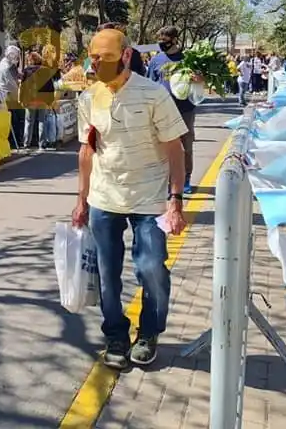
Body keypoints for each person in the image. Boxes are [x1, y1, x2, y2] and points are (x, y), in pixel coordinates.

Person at [72, 28, 188, 369]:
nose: (97, 64)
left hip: (150, 199)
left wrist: (176, 199)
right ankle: (116, 336)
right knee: (107, 274)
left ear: (125, 56)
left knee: (151, 268)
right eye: (94, 58)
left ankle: (149, 332)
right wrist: (81, 200)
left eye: (105, 58)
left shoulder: (154, 95)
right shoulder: (88, 98)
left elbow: (175, 149)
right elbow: (86, 151)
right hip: (104, 199)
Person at [146, 26, 196, 194]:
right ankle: (169, 182)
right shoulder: (156, 60)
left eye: (165, 41)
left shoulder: (187, 59)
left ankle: (186, 179)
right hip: (162, 111)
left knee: (185, 146)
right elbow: (150, 84)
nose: (162, 45)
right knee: (163, 147)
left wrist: (197, 78)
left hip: (185, 109)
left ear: (175, 40)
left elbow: (200, 81)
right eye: (159, 41)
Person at [20, 50, 57, 150]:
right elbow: (50, 87)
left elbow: (22, 86)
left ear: (30, 60)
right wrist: (50, 100)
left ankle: (26, 144)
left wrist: (21, 99)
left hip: (30, 100)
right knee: (42, 121)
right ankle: (42, 144)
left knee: (29, 122)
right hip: (42, 100)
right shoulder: (45, 70)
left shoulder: (26, 71)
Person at [0, 46, 24, 149]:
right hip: (8, 95)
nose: (17, 58)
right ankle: (14, 141)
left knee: (15, 119)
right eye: (16, 56)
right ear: (10, 55)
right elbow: (12, 84)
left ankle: (15, 140)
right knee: (14, 120)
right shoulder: (6, 66)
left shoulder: (8, 64)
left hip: (9, 95)